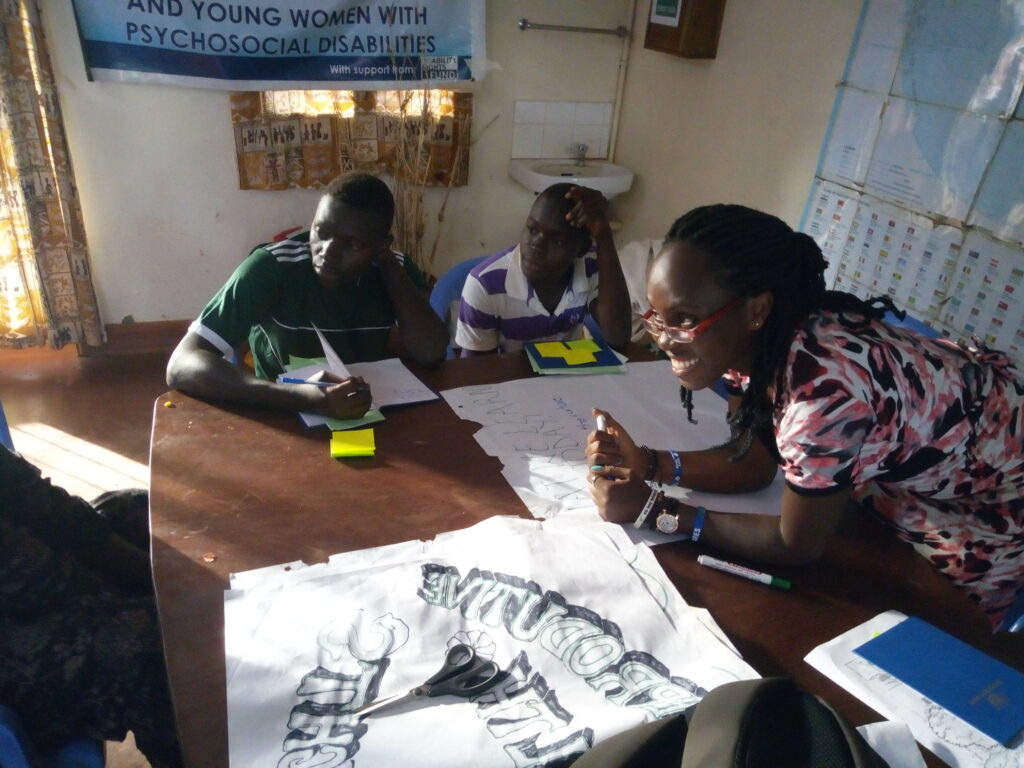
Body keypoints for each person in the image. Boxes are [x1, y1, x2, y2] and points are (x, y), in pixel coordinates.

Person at [586, 204, 1024, 631]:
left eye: (683, 319)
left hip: (989, 511)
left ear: (756, 310)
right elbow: (754, 462)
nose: (663, 340)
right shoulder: (761, 341)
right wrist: (646, 463)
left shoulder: (822, 394)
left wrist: (653, 509)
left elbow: (795, 544)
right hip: (917, 473)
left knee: (879, 614)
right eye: (656, 318)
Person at [166, 173, 448, 419]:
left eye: (353, 245)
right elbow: (181, 364)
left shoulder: (392, 268)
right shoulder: (272, 268)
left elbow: (431, 353)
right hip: (284, 413)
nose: (328, 252)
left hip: (365, 413)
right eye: (321, 232)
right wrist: (302, 398)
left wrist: (387, 264)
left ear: (381, 246)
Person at [0, 445, 183, 767]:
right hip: (12, 638)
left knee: (137, 510)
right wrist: (161, 592)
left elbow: (37, 499)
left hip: (34, 580)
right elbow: (32, 580)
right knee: (163, 645)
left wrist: (159, 576)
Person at [455, 184, 632, 355]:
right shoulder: (485, 286)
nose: (537, 245)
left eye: (558, 241)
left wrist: (603, 233)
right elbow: (476, 372)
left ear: (582, 249)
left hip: (567, 376)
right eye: (532, 229)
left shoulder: (591, 266)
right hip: (509, 379)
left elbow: (618, 337)